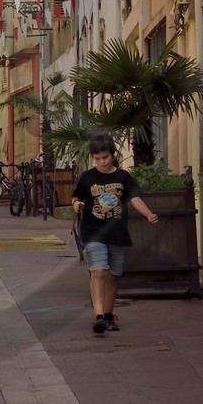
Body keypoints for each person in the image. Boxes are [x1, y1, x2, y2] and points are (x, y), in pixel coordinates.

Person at [72, 133, 158, 337]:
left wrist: (148, 214)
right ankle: (99, 316)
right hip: (93, 232)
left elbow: (134, 198)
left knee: (113, 276)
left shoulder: (123, 177)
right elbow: (76, 196)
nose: (102, 162)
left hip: (117, 233)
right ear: (93, 158)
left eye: (105, 157)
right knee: (98, 272)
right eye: (97, 158)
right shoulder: (87, 177)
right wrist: (77, 204)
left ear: (112, 155)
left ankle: (108, 315)